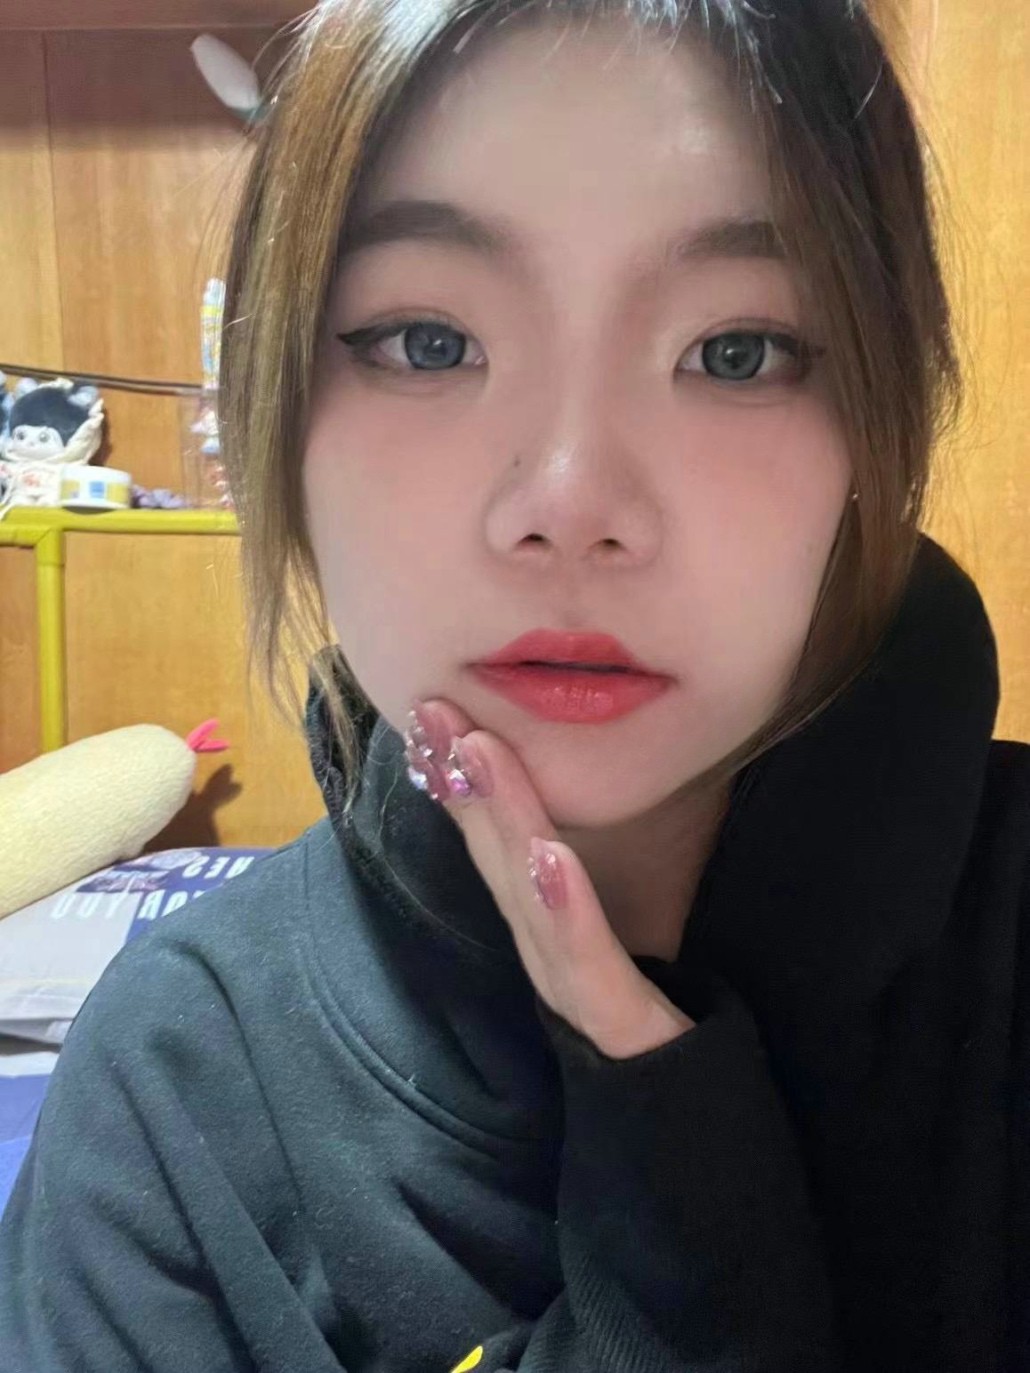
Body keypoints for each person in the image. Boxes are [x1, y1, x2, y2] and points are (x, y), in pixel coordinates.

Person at [1, 0, 1028, 1369]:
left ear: (873, 426)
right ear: (278, 415)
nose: (570, 503)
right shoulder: (176, 1086)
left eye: (735, 350)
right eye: (428, 341)